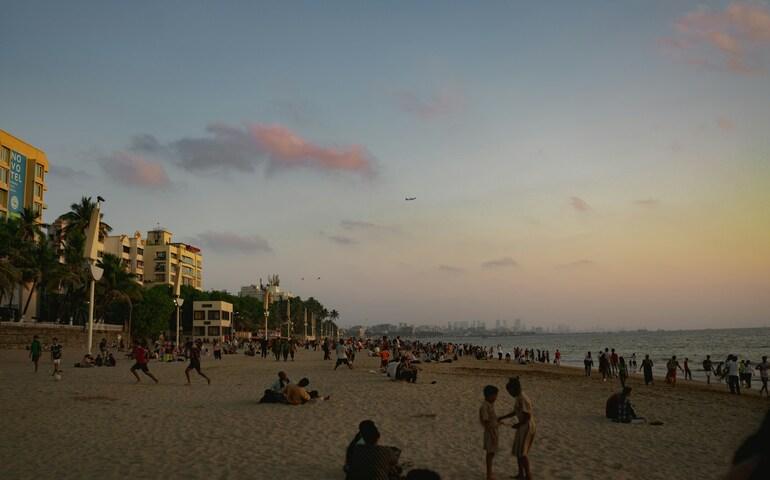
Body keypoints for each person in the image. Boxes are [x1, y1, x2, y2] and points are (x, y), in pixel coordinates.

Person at [499, 377, 535, 480]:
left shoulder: (522, 398)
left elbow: (528, 415)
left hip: (527, 426)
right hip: (523, 425)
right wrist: (502, 417)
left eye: (510, 391)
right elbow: (515, 412)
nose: (510, 394)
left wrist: (518, 425)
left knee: (522, 453)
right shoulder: (519, 397)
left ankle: (528, 475)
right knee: (518, 451)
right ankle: (520, 474)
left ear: (515, 388)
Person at [479, 385, 499, 480]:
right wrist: (492, 434)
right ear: (490, 395)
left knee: (492, 453)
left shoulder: (489, 405)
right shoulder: (484, 406)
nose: (496, 398)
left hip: (493, 431)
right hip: (490, 432)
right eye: (495, 396)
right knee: (490, 453)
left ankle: (489, 473)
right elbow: (486, 421)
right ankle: (489, 475)